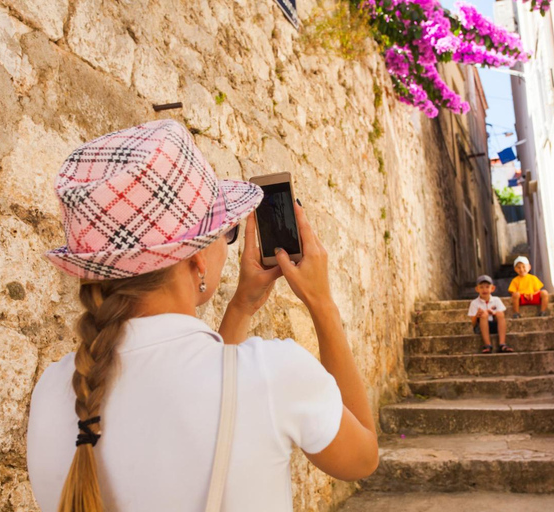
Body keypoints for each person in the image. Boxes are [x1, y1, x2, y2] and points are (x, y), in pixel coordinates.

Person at [26, 119, 378, 512]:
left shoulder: (54, 391)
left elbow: (201, 390)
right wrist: (322, 303)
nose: (228, 246)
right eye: (225, 233)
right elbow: (362, 457)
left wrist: (242, 306)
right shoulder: (274, 373)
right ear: (196, 260)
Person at [467, 275, 512, 354]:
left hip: (495, 326)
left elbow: (502, 316)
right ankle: (487, 345)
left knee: (500, 313)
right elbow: (473, 324)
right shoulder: (474, 303)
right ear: (477, 289)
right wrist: (477, 315)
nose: (484, 290)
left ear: (492, 288)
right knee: (484, 314)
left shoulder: (496, 300)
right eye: (481, 287)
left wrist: (494, 313)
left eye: (487, 287)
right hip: (480, 328)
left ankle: (502, 344)